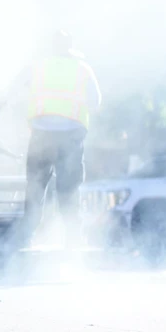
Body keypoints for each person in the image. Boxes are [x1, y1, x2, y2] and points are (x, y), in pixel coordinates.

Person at [18, 30, 101, 249]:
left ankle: (26, 237)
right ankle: (72, 241)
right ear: (70, 48)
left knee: (35, 186)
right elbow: (95, 102)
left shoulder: (37, 67)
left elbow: (18, 90)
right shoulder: (83, 70)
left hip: (40, 135)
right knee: (69, 189)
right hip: (71, 137)